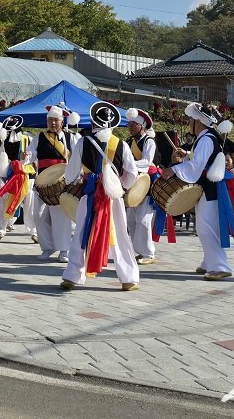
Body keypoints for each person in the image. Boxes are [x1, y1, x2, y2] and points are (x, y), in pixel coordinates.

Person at [60, 102, 139, 291]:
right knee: (120, 235)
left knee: (81, 232)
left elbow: (71, 173)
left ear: (94, 121)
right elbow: (132, 174)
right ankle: (129, 278)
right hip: (113, 197)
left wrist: (78, 178)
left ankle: (73, 275)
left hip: (89, 195)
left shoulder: (83, 142)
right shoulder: (121, 144)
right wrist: (118, 186)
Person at [161, 103, 234, 280]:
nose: (189, 123)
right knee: (206, 225)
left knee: (206, 227)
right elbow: (201, 159)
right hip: (210, 186)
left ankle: (220, 266)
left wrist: (173, 169)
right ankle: (208, 262)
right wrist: (188, 153)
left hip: (210, 187)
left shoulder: (205, 139)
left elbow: (197, 165)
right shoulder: (208, 137)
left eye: (191, 120)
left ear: (198, 122)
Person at [27, 106, 77, 262]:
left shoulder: (71, 138)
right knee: (39, 215)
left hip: (61, 183)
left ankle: (64, 250)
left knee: (61, 216)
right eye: (50, 120)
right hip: (42, 182)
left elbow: (77, 159)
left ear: (62, 122)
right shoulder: (39, 137)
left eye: (56, 120)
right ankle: (48, 247)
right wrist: (25, 157)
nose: (53, 123)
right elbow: (30, 155)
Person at [124, 108, 158, 264]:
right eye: (129, 123)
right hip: (133, 182)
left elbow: (146, 162)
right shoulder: (129, 142)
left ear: (142, 126)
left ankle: (149, 253)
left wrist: (128, 165)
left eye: (134, 124)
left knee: (143, 219)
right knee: (130, 219)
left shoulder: (149, 141)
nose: (130, 126)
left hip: (146, 183)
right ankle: (139, 250)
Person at [0, 115, 35, 242]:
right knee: (8, 202)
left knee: (30, 204)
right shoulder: (5, 143)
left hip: (28, 176)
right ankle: (0, 229)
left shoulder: (29, 139)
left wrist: (25, 159)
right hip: (13, 177)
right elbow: (3, 161)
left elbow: (35, 158)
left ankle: (34, 231)